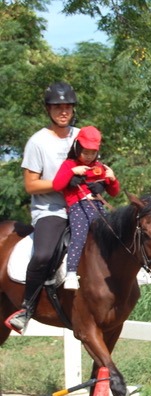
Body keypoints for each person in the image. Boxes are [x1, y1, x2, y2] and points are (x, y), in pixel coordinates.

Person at [5, 82, 80, 334]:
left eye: (67, 106)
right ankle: (27, 307)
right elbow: (30, 185)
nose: (63, 111)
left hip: (80, 207)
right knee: (43, 255)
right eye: (57, 106)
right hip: (50, 211)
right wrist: (62, 184)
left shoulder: (81, 136)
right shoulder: (37, 142)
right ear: (48, 109)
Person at [52, 125, 120, 290]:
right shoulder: (69, 165)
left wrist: (111, 180)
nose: (89, 156)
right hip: (78, 207)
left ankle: (121, 269)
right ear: (77, 148)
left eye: (93, 153)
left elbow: (114, 193)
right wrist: (72, 173)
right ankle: (71, 273)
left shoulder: (99, 167)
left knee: (113, 235)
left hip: (97, 206)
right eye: (85, 152)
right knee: (79, 236)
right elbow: (56, 185)